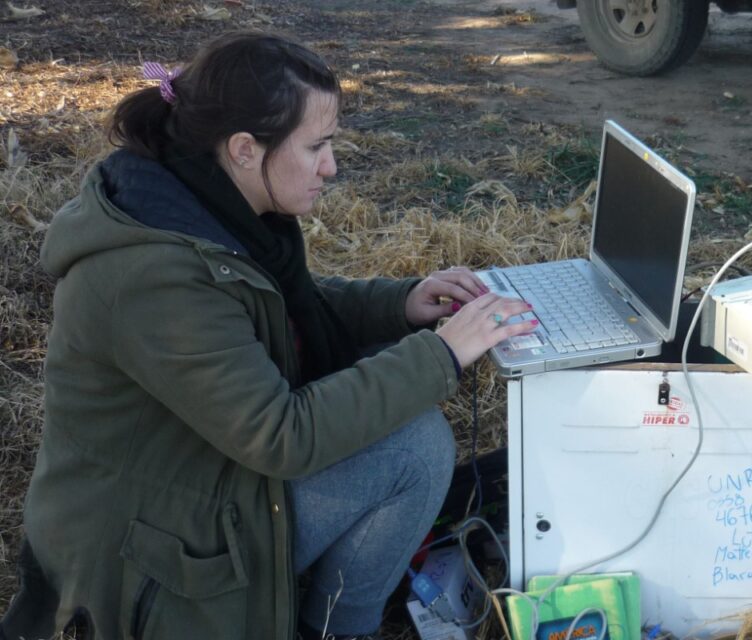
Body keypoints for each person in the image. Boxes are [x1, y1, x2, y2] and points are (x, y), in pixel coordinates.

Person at [0, 31, 535, 640]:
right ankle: (337, 627)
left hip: (195, 480)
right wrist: (441, 353)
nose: (331, 167)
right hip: (147, 553)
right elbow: (280, 437)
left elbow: (270, 306)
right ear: (245, 149)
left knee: (382, 369)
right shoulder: (154, 279)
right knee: (413, 444)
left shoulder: (200, 201)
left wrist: (402, 305)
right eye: (317, 147)